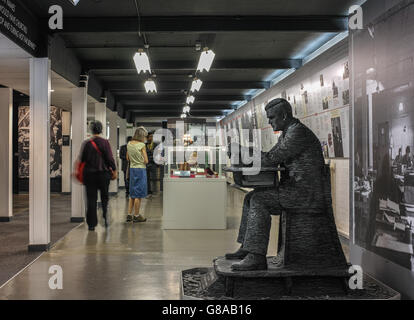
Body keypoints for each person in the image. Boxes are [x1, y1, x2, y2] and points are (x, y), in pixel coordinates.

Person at [226, 98, 329, 271]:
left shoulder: (297, 133)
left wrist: (243, 152)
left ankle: (256, 256)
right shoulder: (288, 132)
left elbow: (271, 159)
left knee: (259, 200)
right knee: (251, 197)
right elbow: (271, 155)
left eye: (272, 117)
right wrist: (245, 151)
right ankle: (247, 246)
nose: (269, 121)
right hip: (296, 189)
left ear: (284, 115)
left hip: (304, 194)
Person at [79, 121, 117, 231]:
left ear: (91, 130)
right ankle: (105, 215)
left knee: (91, 199)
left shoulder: (86, 143)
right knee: (104, 197)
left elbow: (82, 160)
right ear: (101, 130)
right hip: (103, 175)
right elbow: (110, 158)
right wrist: (114, 169)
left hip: (89, 175)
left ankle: (91, 224)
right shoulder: (105, 143)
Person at [126, 127, 149, 223]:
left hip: (132, 169)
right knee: (138, 194)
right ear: (142, 136)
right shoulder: (142, 145)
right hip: (140, 170)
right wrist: (140, 160)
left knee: (132, 193)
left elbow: (127, 158)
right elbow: (146, 160)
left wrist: (134, 159)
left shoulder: (129, 144)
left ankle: (129, 215)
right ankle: (136, 215)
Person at [145, 131, 158, 198]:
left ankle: (155, 191)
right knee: (147, 179)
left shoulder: (155, 145)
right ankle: (148, 192)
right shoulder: (144, 145)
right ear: (147, 138)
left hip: (153, 163)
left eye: (152, 136)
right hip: (146, 164)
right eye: (150, 136)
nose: (151, 138)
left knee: (154, 178)